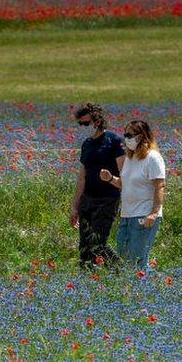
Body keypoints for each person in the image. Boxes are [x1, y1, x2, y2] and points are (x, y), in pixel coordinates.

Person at [100, 120, 165, 272]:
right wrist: (110, 178)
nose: (126, 138)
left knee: (136, 259)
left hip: (144, 214)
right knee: (123, 255)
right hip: (127, 215)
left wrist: (154, 213)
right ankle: (147, 284)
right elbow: (124, 183)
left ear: (142, 136)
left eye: (130, 135)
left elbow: (159, 186)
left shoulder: (153, 158)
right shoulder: (130, 158)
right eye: (125, 134)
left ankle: (146, 288)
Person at [69, 103, 125, 268]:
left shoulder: (114, 141)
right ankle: (88, 281)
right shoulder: (86, 144)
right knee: (85, 247)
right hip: (87, 199)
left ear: (97, 120)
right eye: (80, 124)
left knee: (98, 243)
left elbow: (124, 173)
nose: (83, 127)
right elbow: (82, 177)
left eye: (86, 123)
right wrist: (75, 206)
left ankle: (120, 271)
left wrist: (112, 179)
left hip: (107, 199)